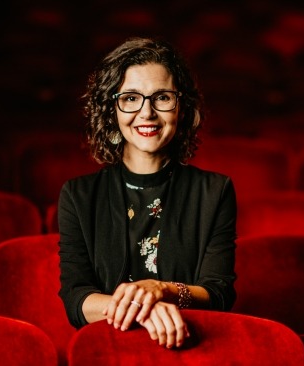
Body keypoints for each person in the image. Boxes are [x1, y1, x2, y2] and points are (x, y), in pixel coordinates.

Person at [58, 37, 237, 350]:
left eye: (162, 97)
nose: (147, 112)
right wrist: (147, 308)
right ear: (111, 108)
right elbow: (76, 299)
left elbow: (218, 294)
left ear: (182, 107)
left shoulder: (215, 191)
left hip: (192, 350)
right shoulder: (78, 195)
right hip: (108, 350)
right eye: (130, 98)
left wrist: (161, 289)